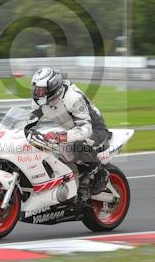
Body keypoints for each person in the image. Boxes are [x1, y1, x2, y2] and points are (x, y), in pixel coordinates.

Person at [28, 67, 110, 195]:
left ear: (53, 87)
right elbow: (30, 120)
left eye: (42, 90)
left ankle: (100, 172)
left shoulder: (72, 98)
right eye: (36, 89)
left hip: (94, 130)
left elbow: (85, 129)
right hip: (71, 128)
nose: (38, 93)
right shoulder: (40, 100)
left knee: (78, 146)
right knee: (44, 144)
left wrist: (61, 137)